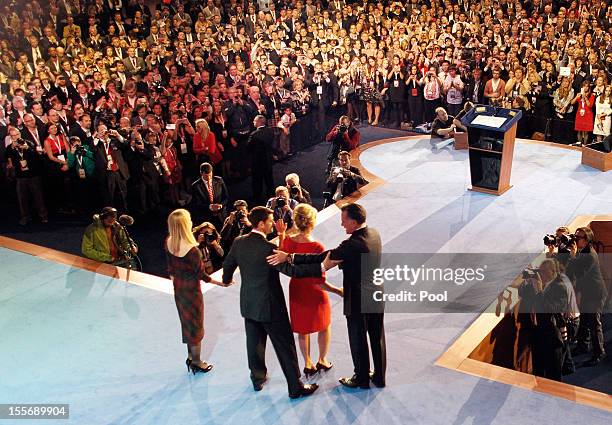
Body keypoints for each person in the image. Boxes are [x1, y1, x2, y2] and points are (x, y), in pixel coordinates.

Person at [268, 203, 386, 389]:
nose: (342, 225)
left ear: (354, 222)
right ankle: (379, 377)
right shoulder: (374, 234)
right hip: (377, 293)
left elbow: (323, 258)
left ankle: (361, 378)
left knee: (358, 338)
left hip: (357, 298)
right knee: (377, 337)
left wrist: (290, 257)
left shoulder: (351, 244)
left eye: (344, 221)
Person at [221, 206, 321, 398]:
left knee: (254, 343)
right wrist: (319, 268)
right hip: (271, 308)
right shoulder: (269, 249)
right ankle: (295, 387)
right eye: (269, 221)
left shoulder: (239, 242)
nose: (272, 224)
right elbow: (292, 271)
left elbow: (228, 265)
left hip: (249, 305)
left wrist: (226, 280)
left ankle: (257, 379)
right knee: (285, 346)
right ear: (261, 224)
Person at [276, 204, 342, 376]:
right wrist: (337, 291)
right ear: (312, 223)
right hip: (315, 293)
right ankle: (322, 360)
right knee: (324, 326)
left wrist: (282, 234)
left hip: (297, 290)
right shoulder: (317, 247)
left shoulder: (288, 242)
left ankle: (308, 363)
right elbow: (319, 280)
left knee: (302, 330)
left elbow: (281, 253)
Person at [165, 209, 223, 375]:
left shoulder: (169, 242)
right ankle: (197, 361)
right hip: (192, 292)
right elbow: (202, 275)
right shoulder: (192, 251)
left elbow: (170, 268)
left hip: (179, 290)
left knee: (187, 323)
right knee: (196, 326)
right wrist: (220, 282)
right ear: (185, 224)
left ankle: (190, 357)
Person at [518, 259, 578, 381]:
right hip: (539, 335)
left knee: (553, 375)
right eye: (540, 271)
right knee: (538, 373)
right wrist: (528, 281)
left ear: (553, 272)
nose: (541, 275)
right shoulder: (540, 282)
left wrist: (539, 291)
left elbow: (550, 309)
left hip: (553, 338)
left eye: (544, 272)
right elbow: (522, 292)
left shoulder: (560, 287)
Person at [567, 227, 608, 366]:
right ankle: (582, 346)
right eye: (575, 236)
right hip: (587, 292)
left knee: (594, 324)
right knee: (584, 320)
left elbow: (578, 273)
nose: (576, 240)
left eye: (579, 238)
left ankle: (599, 352)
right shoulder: (582, 251)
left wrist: (572, 255)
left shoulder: (589, 254)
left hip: (595, 294)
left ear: (587, 240)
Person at [247, 114, 280, 204]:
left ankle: (257, 199)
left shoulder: (254, 135)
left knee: (257, 181)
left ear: (258, 122)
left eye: (254, 121)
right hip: (268, 160)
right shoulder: (270, 131)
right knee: (269, 179)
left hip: (257, 162)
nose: (253, 122)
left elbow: (248, 148)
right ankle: (271, 197)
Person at [190, 162, 229, 229]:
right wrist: (209, 207)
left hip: (221, 215)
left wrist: (221, 205)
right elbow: (196, 204)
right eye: (206, 176)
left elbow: (226, 197)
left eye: (210, 175)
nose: (208, 178)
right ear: (201, 173)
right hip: (206, 217)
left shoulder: (219, 180)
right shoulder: (196, 186)